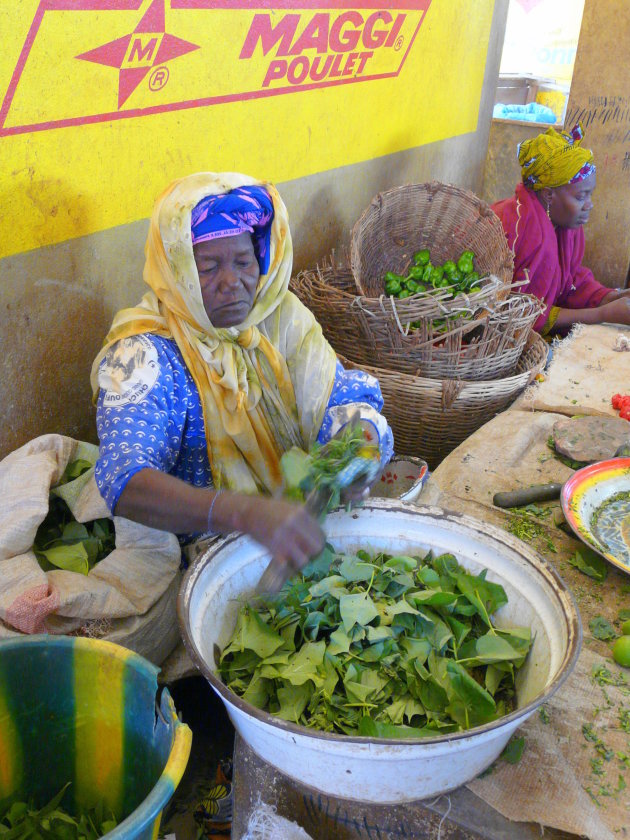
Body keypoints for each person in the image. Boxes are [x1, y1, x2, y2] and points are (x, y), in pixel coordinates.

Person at [91, 172, 393, 575]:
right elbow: (124, 477)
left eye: (243, 261)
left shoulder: (281, 320)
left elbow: (343, 397)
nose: (232, 282)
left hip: (296, 530)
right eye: (209, 266)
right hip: (196, 552)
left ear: (262, 260)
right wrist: (242, 513)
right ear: (175, 269)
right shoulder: (142, 353)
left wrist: (358, 443)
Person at [492, 124, 630, 336]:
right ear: (549, 195)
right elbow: (518, 317)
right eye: (580, 197)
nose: (589, 205)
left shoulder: (563, 225)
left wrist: (610, 296)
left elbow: (570, 280)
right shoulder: (522, 231)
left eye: (590, 195)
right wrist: (602, 314)